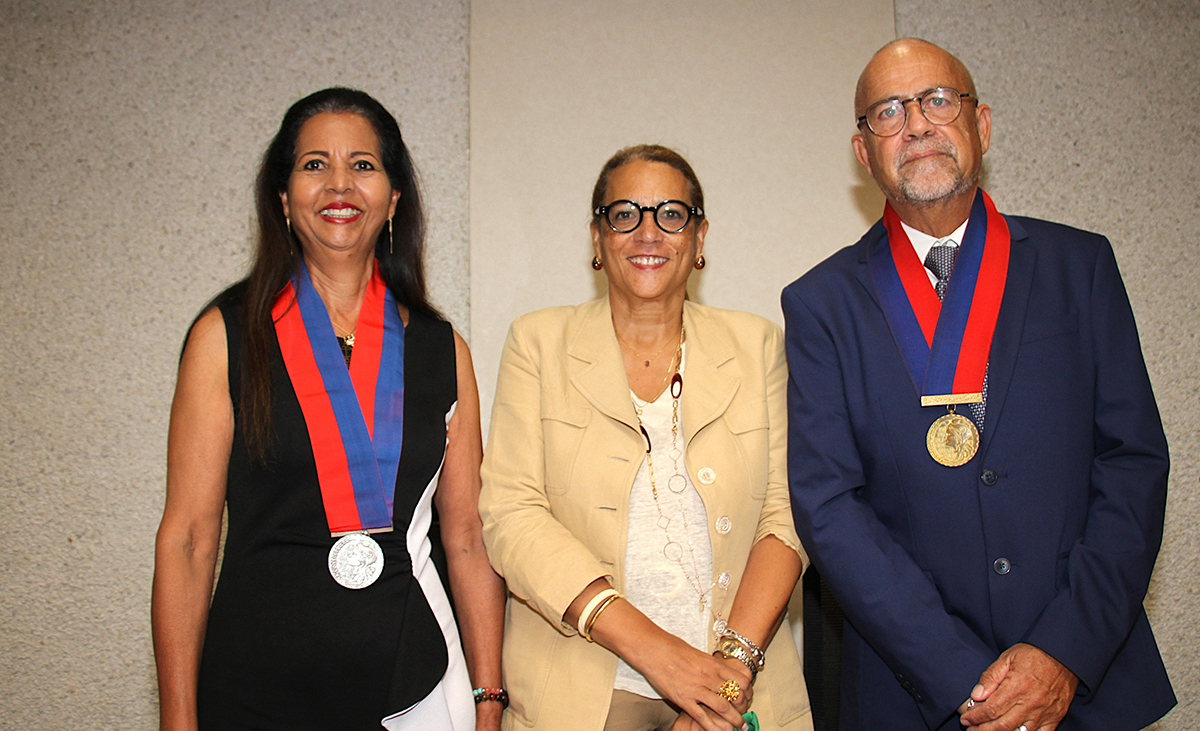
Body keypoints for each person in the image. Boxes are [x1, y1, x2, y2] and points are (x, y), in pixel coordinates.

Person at [782, 38, 1175, 731]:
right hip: (918, 695)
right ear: (863, 151)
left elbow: (1133, 463)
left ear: (981, 124)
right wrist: (964, 678)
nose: (917, 124)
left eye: (938, 100)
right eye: (888, 112)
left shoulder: (1078, 266)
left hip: (1084, 684)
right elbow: (831, 508)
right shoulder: (821, 304)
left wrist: (1062, 650)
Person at [152, 88, 505, 731]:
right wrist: (177, 719)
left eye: (363, 166)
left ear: (394, 198)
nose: (339, 184)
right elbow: (188, 541)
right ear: (283, 199)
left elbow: (468, 540)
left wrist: (489, 698)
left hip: (416, 685)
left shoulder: (442, 348)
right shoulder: (226, 335)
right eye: (314, 165)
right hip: (255, 689)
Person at [479, 145, 812, 731]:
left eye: (672, 214)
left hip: (740, 688)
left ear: (700, 236)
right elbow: (512, 514)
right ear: (597, 238)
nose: (648, 233)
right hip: (582, 684)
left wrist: (724, 682)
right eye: (625, 214)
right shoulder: (536, 343)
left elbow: (787, 515)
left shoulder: (758, 346)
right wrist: (662, 657)